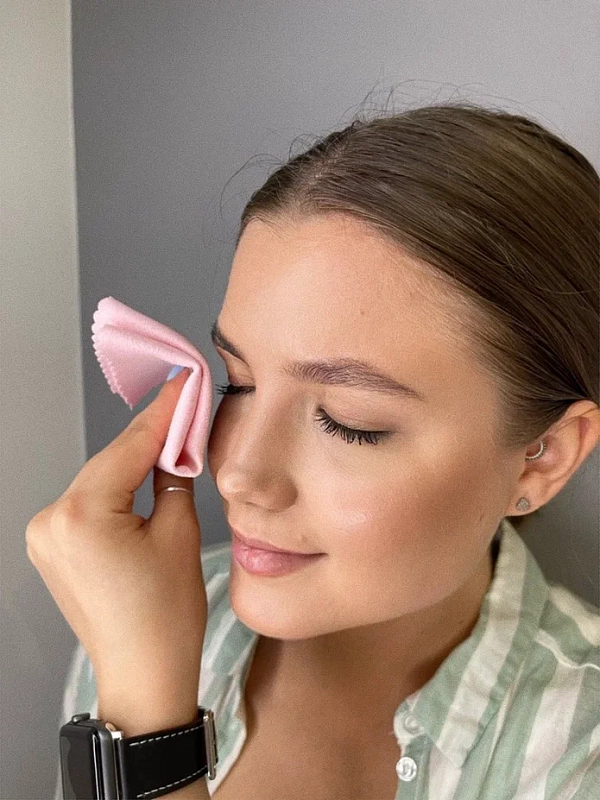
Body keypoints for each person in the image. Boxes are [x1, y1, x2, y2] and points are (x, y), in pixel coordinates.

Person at [47, 103, 598, 799]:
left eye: (348, 421)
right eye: (237, 382)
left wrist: (147, 735)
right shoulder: (128, 619)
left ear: (543, 456)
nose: (238, 474)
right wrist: (133, 676)